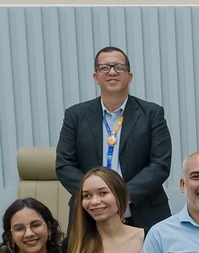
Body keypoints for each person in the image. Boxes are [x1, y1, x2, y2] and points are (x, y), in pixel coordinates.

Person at [56, 46, 174, 229]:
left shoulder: (152, 113)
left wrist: (121, 196)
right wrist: (95, 196)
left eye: (119, 67)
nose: (112, 72)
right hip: (90, 212)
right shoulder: (76, 115)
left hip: (142, 210)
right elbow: (64, 165)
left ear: (129, 76)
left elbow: (160, 164)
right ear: (96, 77)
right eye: (105, 67)